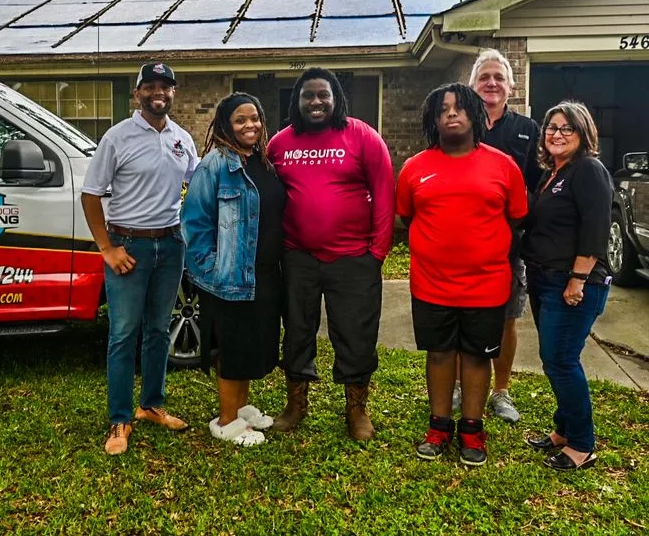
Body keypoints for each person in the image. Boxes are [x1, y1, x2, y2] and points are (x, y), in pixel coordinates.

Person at [397, 83, 528, 467]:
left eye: (458, 108)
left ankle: (472, 428)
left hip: (486, 287)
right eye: (442, 110)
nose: (450, 114)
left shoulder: (503, 165)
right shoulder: (415, 168)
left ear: (474, 114)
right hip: (431, 284)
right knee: (439, 355)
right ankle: (439, 426)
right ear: (433, 120)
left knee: (475, 357)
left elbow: (517, 218)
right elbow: (408, 216)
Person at [266, 67, 394, 441]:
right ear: (297, 101)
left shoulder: (362, 136)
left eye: (324, 94)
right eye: (308, 95)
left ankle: (356, 410)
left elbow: (385, 193)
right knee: (296, 331)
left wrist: (377, 253)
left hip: (354, 258)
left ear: (336, 98)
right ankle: (295, 405)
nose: (316, 102)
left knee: (355, 335)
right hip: (297, 257)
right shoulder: (280, 143)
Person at [80, 62, 198, 456]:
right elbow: (91, 195)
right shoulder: (117, 137)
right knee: (123, 333)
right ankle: (119, 419)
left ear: (173, 93)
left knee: (158, 331)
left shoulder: (183, 139)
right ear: (137, 94)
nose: (157, 92)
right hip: (128, 247)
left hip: (171, 245)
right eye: (149, 86)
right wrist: (107, 249)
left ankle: (151, 405)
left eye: (164, 86)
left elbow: (196, 190)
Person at [181, 93, 286, 447]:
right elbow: (194, 225)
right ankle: (226, 421)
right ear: (226, 125)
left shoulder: (262, 161)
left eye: (254, 118)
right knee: (235, 346)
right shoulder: (214, 165)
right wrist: (213, 273)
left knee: (253, 344)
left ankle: (240, 408)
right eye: (240, 120)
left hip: (265, 273)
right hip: (230, 278)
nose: (250, 126)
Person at [451, 49, 542, 423]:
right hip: (460, 244)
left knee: (506, 319)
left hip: (507, 247)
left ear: (511, 86)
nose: (491, 82)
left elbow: (537, 185)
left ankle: (501, 391)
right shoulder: (456, 123)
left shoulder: (528, 130)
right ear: (473, 85)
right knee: (459, 317)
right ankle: (457, 385)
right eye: (484, 76)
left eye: (499, 77)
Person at [521, 101, 612, 471]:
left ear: (583, 133)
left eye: (566, 128)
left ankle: (582, 444)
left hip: (573, 283)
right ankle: (563, 429)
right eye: (551, 127)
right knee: (553, 358)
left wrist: (577, 279)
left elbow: (596, 227)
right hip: (545, 279)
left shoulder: (588, 170)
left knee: (561, 360)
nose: (557, 134)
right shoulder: (554, 173)